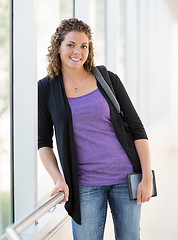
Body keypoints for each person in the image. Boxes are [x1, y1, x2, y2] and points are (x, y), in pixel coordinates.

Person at [38, 18, 153, 240]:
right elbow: (43, 141)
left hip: (124, 177)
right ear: (58, 47)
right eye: (71, 44)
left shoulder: (106, 78)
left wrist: (146, 177)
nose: (77, 52)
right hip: (84, 185)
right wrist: (57, 178)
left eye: (84, 46)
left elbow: (138, 130)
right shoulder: (46, 88)